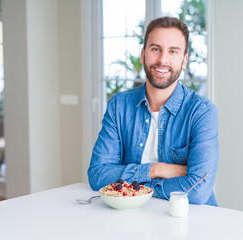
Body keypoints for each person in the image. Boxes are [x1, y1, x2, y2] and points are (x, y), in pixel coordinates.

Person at [88, 17, 219, 206]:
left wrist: (135, 186)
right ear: (143, 55)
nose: (162, 60)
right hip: (133, 216)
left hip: (190, 218)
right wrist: (157, 169)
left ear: (184, 60)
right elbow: (97, 174)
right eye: (155, 49)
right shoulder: (119, 105)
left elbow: (198, 190)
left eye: (173, 51)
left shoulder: (202, 112)